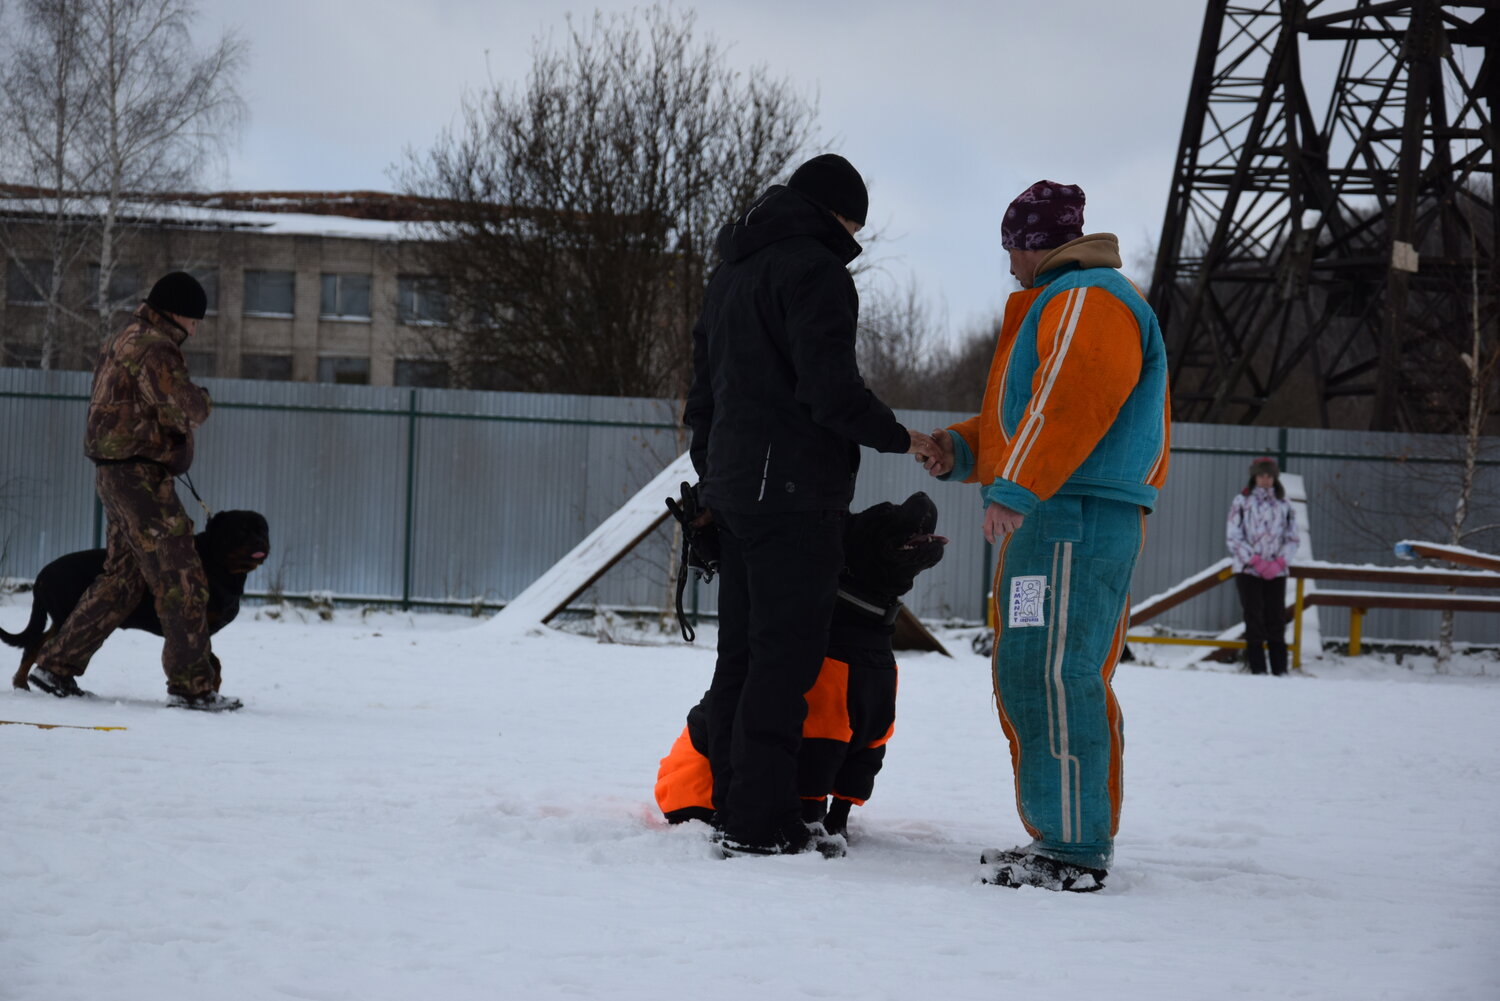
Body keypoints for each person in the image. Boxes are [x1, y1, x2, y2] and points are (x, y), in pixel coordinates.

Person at [919, 180, 1170, 891]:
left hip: (1070, 515)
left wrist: (1017, 486)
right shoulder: (1069, 302)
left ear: (1036, 243)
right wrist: (960, 450)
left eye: (1011, 247)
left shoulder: (1089, 298)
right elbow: (1027, 415)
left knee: (1056, 670)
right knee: (1035, 666)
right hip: (1059, 513)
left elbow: (1070, 402)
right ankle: (1060, 833)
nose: (1007, 264)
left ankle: (1076, 847)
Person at [683, 153, 937, 856]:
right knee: (783, 663)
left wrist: (715, 484)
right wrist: (904, 437)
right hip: (793, 498)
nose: (853, 239)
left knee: (738, 656)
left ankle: (735, 806)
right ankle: (762, 825)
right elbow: (830, 392)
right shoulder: (816, 269)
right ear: (837, 215)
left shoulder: (729, 274)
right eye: (853, 226)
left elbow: (701, 402)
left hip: (737, 495)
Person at [26, 271, 241, 712]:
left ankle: (56, 666)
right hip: (140, 478)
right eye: (195, 320)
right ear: (177, 313)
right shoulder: (157, 348)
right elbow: (185, 408)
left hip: (114, 473)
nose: (196, 329)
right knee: (182, 577)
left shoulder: (121, 339)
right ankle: (192, 687)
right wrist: (203, 398)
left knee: (123, 579)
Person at [1226, 457, 1299, 676]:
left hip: (1277, 572)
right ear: (1254, 477)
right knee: (1253, 618)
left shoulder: (1284, 504)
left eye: (1269, 476)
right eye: (1261, 476)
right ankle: (1257, 668)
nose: (1265, 480)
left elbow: (1293, 537)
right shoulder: (1242, 502)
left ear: (1275, 478)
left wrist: (1278, 563)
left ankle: (1280, 669)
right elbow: (1233, 536)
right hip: (1248, 571)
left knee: (1276, 618)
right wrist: (1255, 561)